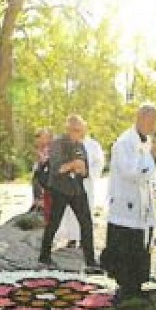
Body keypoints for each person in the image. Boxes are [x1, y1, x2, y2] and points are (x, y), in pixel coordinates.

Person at [100, 103, 156, 301]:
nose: (154, 126)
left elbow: (148, 172)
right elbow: (130, 171)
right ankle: (125, 285)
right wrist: (153, 156)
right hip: (126, 205)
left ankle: (136, 282)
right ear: (140, 118)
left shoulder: (145, 140)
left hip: (142, 204)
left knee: (140, 244)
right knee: (126, 245)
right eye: (151, 121)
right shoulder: (124, 142)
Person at [38, 114, 99, 271]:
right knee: (54, 223)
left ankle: (91, 261)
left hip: (77, 188)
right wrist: (73, 164)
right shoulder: (58, 143)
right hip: (60, 189)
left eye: (81, 130)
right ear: (69, 129)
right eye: (77, 130)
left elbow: (85, 172)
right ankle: (44, 257)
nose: (80, 133)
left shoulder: (81, 145)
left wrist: (82, 168)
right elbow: (57, 168)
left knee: (86, 223)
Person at [54, 119, 105, 247]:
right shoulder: (63, 144)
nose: (75, 132)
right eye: (71, 129)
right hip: (67, 185)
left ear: (84, 129)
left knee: (85, 214)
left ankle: (84, 240)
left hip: (85, 184)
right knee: (69, 213)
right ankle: (71, 238)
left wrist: (86, 172)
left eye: (77, 129)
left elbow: (99, 164)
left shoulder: (93, 146)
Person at [31, 128, 53, 216]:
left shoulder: (51, 146)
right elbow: (38, 162)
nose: (38, 140)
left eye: (40, 137)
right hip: (42, 169)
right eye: (38, 138)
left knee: (39, 179)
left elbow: (48, 160)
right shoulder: (40, 147)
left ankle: (41, 203)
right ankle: (38, 202)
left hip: (51, 170)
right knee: (36, 179)